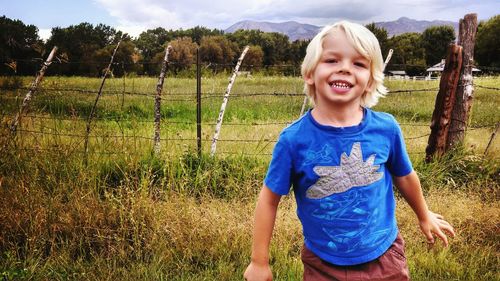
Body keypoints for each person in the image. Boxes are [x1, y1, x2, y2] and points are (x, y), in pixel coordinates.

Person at [243, 21, 455, 281]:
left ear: (370, 80)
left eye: (359, 64)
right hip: (323, 263)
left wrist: (424, 215)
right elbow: (268, 199)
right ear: (309, 73)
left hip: (385, 257)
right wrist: (259, 262)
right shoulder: (293, 140)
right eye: (332, 60)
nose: (344, 68)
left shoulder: (386, 129)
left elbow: (405, 176)